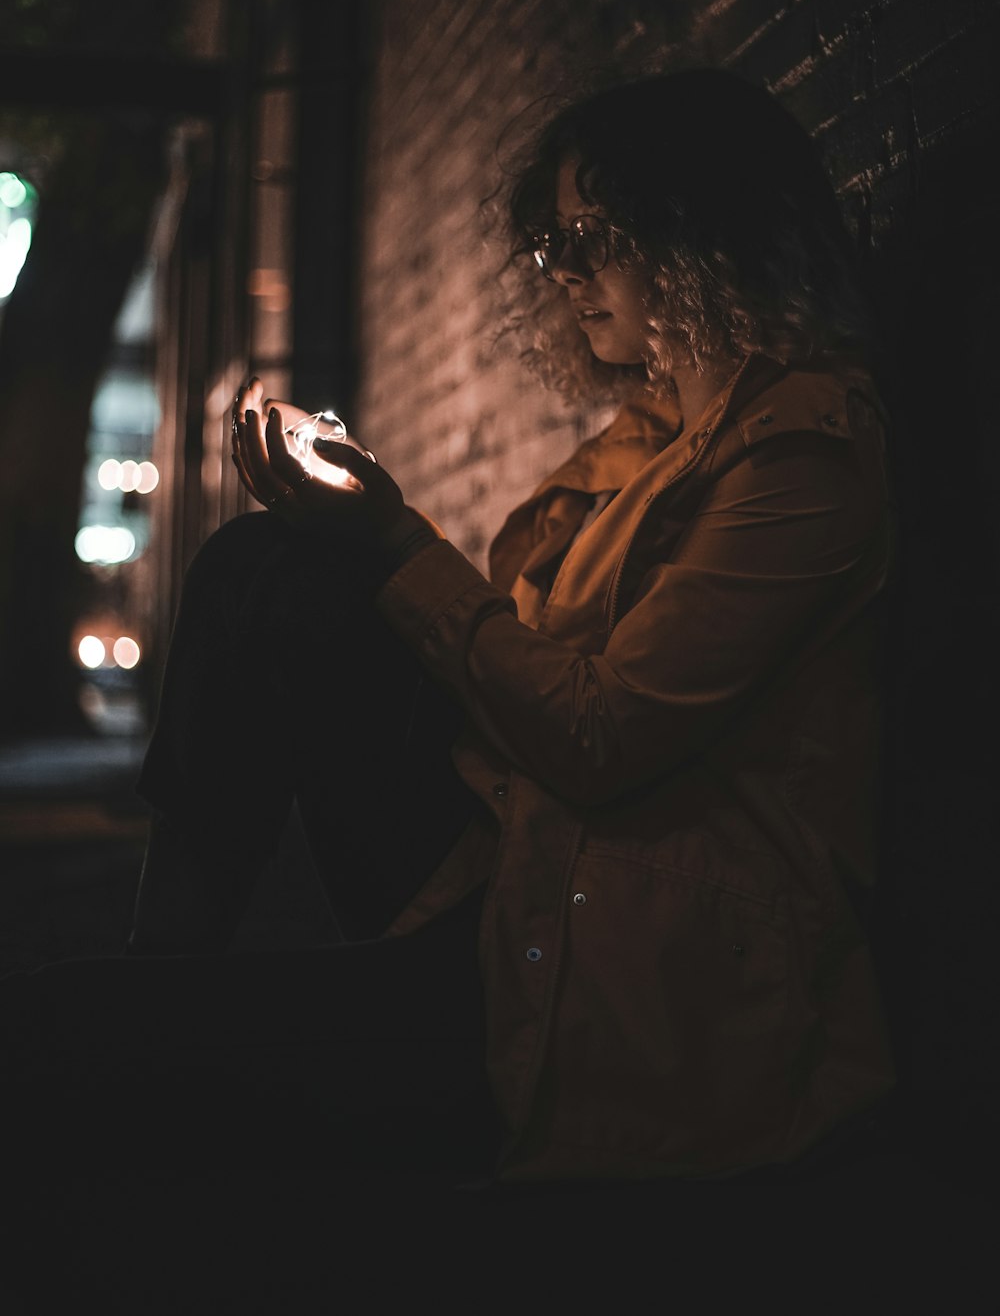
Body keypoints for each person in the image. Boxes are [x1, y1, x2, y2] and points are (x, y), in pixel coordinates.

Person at [1, 67, 895, 1191]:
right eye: (552, 240)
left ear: (705, 230)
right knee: (272, 565)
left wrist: (391, 538)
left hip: (623, 957)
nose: (564, 269)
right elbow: (519, 681)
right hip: (516, 865)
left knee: (61, 1034)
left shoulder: (800, 454)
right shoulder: (649, 445)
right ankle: (163, 963)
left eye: (596, 234)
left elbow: (600, 737)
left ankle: (161, 994)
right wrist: (364, 539)